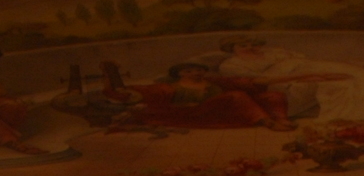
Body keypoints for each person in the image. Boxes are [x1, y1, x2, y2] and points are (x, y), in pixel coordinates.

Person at [214, 37, 364, 122]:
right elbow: (262, 80)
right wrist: (316, 76)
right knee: (338, 81)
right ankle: (350, 113)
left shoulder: (272, 53)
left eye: (251, 43)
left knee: (358, 74)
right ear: (231, 48)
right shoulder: (231, 65)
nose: (250, 47)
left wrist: (322, 70)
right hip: (283, 80)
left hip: (304, 67)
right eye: (243, 45)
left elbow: (305, 61)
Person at [112, 63, 294, 131]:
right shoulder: (170, 87)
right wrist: (124, 89)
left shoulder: (213, 82)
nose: (196, 73)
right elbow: (144, 92)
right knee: (237, 96)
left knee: (273, 95)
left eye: (199, 70)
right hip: (196, 112)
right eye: (189, 71)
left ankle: (281, 119)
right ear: (180, 74)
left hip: (224, 110)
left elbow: (241, 81)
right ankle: (267, 122)